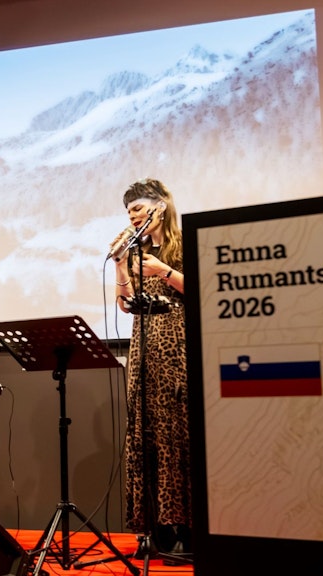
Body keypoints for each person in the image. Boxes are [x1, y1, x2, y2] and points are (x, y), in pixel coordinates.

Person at [111, 179, 191, 556]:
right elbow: (125, 303)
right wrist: (120, 266)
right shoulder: (136, 250)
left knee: (180, 437)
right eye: (128, 211)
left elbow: (203, 287)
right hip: (144, 351)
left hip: (179, 351)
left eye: (138, 208)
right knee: (147, 436)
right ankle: (157, 532)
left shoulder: (183, 242)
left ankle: (189, 531)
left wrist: (162, 271)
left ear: (160, 207)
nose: (133, 216)